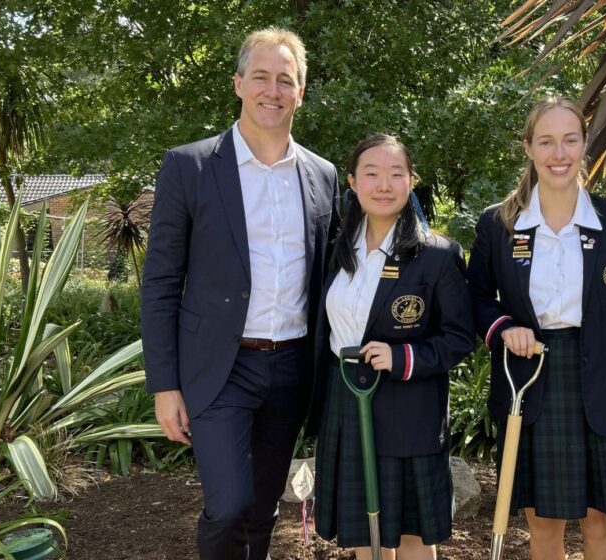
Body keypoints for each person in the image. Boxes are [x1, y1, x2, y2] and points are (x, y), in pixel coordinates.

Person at [141, 28, 339, 559]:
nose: (272, 90)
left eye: (285, 80)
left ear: (301, 91)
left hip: (292, 368)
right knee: (228, 504)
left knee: (264, 506)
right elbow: (160, 282)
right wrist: (164, 386)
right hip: (218, 368)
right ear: (238, 84)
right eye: (260, 77)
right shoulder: (190, 167)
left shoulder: (323, 175)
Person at [467, 96, 606, 560]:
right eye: (546, 141)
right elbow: (475, 299)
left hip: (600, 383)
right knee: (543, 522)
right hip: (530, 380)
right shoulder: (499, 224)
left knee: (600, 519)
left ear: (584, 145)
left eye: (569, 140)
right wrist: (504, 328)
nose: (558, 154)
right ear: (528, 148)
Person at [312, 134, 475, 560]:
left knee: (411, 537)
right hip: (347, 405)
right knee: (366, 536)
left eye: (395, 174)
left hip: (410, 413)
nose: (383, 184)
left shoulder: (438, 255)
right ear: (351, 181)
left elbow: (460, 337)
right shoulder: (335, 251)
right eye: (371, 174)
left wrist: (404, 358)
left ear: (411, 181)